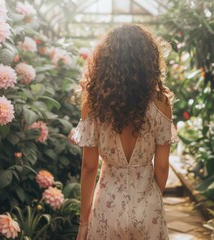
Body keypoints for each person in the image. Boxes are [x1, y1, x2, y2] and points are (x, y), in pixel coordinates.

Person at [71, 24, 178, 240]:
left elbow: (89, 167)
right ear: (148, 61)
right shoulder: (161, 103)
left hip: (107, 208)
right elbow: (163, 166)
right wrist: (150, 199)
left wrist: (84, 221)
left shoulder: (93, 103)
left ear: (105, 61)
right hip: (147, 206)